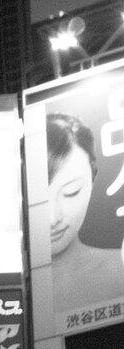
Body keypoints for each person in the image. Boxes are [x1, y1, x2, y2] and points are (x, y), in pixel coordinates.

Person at [47, 111, 124, 315]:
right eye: (40, 202)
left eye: (71, 192)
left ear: (93, 176)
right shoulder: (16, 296)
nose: (53, 219)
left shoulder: (120, 269)